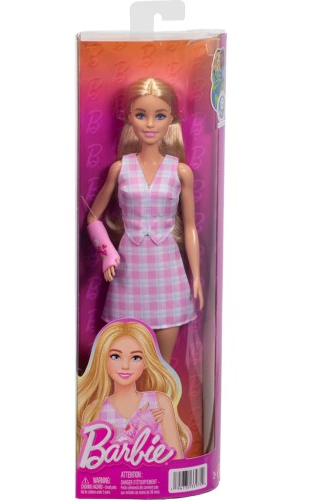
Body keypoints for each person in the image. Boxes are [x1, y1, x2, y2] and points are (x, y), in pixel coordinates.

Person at [86, 77, 204, 363]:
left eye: (159, 116)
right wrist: (106, 252)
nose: (150, 124)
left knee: (163, 365)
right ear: (129, 117)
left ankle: (165, 395)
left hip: (168, 271)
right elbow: (92, 217)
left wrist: (197, 276)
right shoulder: (120, 169)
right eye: (141, 115)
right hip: (129, 271)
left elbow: (190, 226)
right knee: (129, 359)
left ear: (171, 119)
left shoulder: (180, 172)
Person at [77, 320, 191, 459]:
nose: (125, 366)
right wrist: (141, 422)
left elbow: (176, 458)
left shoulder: (159, 402)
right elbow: (92, 463)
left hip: (157, 473)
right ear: (103, 359)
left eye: (136, 357)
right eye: (115, 356)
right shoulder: (95, 410)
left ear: (146, 362)